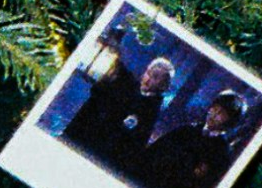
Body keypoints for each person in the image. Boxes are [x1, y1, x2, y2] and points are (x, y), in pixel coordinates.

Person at [56, 41, 178, 178]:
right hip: (80, 137)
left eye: (155, 77)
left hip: (101, 157)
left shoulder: (150, 112)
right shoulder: (125, 83)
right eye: (148, 73)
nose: (148, 79)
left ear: (163, 86)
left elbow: (133, 145)